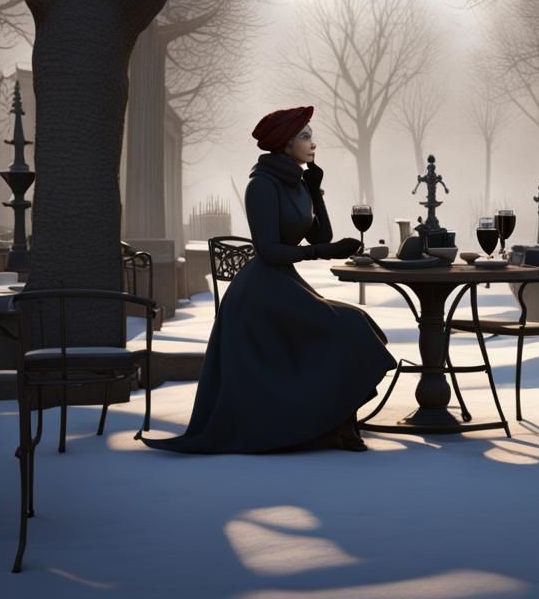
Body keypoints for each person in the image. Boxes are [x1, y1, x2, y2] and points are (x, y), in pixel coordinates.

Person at [144, 105, 395, 454]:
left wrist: (317, 191)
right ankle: (332, 423)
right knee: (347, 326)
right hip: (260, 291)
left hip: (285, 285)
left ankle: (337, 422)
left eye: (311, 135)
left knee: (358, 322)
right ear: (285, 142)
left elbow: (321, 235)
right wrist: (324, 252)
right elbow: (269, 250)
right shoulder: (261, 185)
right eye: (305, 136)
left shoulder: (298, 182)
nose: (313, 143)